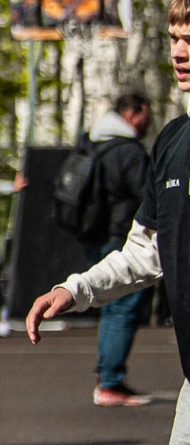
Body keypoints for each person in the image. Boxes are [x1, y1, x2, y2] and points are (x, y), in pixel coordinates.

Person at [28, 0, 190, 445]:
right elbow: (145, 251)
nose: (180, 50)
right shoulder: (172, 140)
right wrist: (76, 289)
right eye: (174, 37)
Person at [83, 91, 155, 405]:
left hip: (93, 233)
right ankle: (110, 382)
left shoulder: (92, 141)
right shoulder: (129, 151)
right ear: (131, 115)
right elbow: (148, 197)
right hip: (120, 234)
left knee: (110, 307)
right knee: (122, 307)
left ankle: (107, 377)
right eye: (145, 115)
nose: (148, 122)